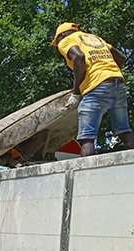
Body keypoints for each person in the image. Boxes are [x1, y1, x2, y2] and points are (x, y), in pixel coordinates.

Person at [52, 22, 134, 156]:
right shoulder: (95, 38)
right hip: (118, 84)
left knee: (87, 136)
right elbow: (121, 57)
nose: (58, 44)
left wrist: (76, 92)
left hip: (96, 86)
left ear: (62, 35)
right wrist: (109, 73)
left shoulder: (66, 40)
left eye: (58, 40)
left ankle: (87, 176)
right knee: (125, 131)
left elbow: (79, 57)